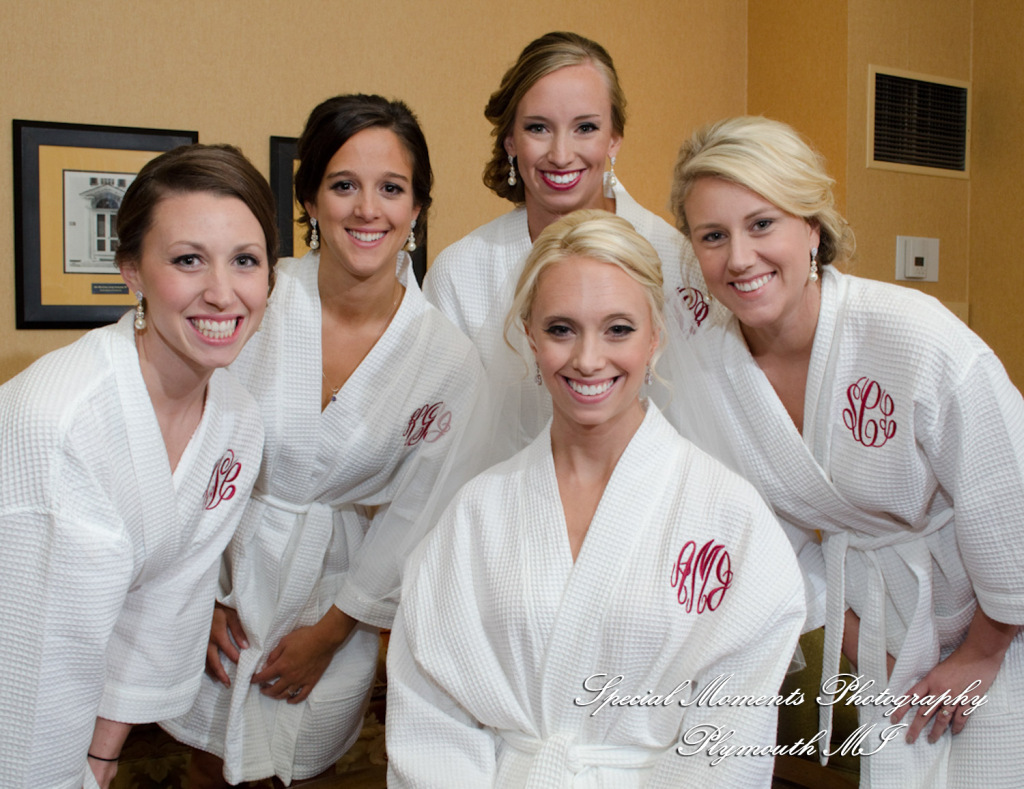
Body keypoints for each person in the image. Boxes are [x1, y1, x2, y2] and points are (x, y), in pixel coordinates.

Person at [386, 210, 805, 788]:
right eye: (561, 329)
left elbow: (728, 739)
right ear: (529, 337)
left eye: (618, 329)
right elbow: (431, 715)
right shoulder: (476, 514)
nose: (587, 359)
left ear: (656, 335)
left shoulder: (729, 516)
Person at [667, 115, 1024, 788]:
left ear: (812, 226)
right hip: (882, 627)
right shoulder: (706, 372)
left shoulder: (913, 336)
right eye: (713, 236)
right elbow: (763, 538)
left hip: (1000, 617)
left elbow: (1007, 492)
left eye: (762, 224)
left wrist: (983, 651)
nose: (739, 257)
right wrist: (868, 644)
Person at [163, 95, 487, 787]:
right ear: (310, 198)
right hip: (223, 574)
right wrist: (200, 593)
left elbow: (417, 512)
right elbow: (188, 443)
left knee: (303, 767)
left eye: (391, 188)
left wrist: (333, 632)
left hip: (339, 598)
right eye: (344, 185)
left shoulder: (447, 360)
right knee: (206, 764)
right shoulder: (254, 297)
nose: (367, 209)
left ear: (418, 207)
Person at [0, 144, 275, 789]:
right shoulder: (60, 421)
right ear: (132, 271)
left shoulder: (236, 420)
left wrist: (101, 758)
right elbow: (38, 654)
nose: (222, 293)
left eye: (245, 260)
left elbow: (167, 600)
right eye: (187, 260)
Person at [423, 31, 711, 461]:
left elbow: (705, 416)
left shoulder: (677, 261)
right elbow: (440, 439)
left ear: (614, 138)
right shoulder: (460, 273)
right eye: (538, 128)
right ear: (510, 140)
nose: (560, 154)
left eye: (585, 128)